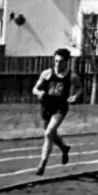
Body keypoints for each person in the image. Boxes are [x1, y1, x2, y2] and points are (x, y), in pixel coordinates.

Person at [31, 47, 82, 176]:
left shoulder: (72, 76)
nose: (58, 64)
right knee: (52, 134)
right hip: (46, 107)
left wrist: (75, 96)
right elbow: (34, 89)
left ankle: (42, 165)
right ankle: (64, 148)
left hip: (60, 108)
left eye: (61, 61)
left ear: (67, 62)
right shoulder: (47, 73)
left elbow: (80, 88)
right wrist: (39, 92)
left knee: (48, 133)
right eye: (56, 61)